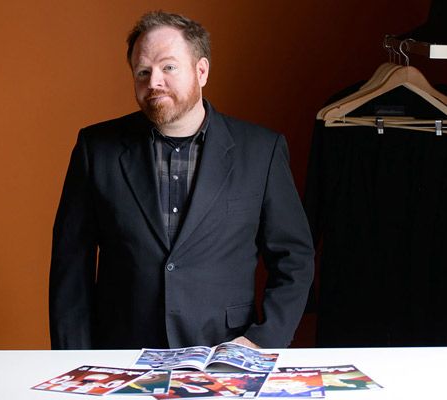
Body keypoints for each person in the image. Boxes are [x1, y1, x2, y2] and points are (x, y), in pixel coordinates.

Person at [49, 10, 314, 350]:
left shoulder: (262, 150)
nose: (153, 82)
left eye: (168, 67)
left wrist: (263, 341)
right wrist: (73, 360)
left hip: (225, 354)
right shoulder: (96, 149)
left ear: (201, 71)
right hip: (122, 354)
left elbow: (295, 258)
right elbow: (70, 267)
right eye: (143, 71)